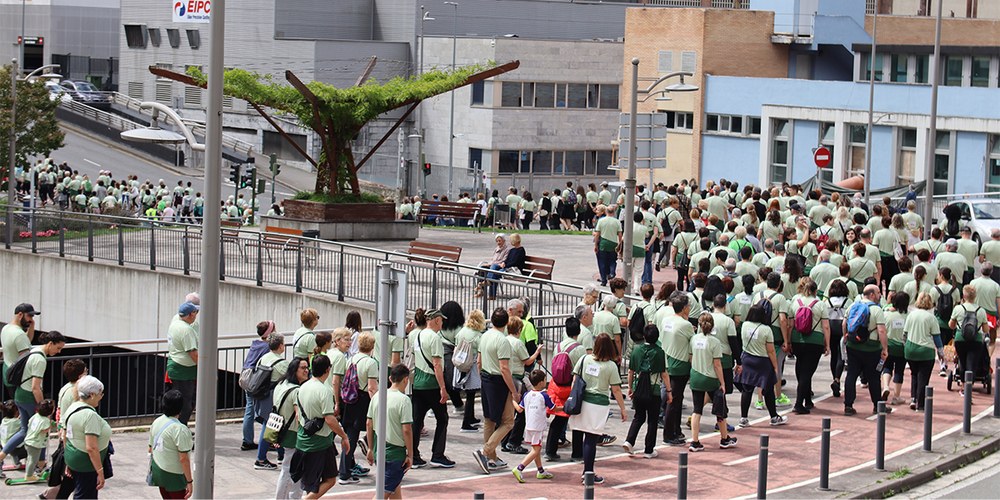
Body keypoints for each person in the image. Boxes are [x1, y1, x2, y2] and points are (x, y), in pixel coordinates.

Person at [0, 330, 65, 471]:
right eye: (58, 348)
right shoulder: (40, 360)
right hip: (29, 397)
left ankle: (1, 456)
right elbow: (36, 387)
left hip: (19, 395)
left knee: (24, 431)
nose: (59, 351)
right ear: (50, 343)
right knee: (42, 429)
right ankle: (40, 465)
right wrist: (44, 409)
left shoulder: (33, 350)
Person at [568, 333, 627, 485]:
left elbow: (575, 380)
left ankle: (585, 469)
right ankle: (588, 472)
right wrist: (622, 408)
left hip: (582, 402)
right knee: (591, 439)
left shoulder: (584, 359)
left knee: (581, 434)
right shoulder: (611, 366)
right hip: (598, 405)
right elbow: (616, 390)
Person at [289, 354, 350, 499]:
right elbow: (329, 419)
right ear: (328, 370)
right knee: (330, 479)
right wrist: (344, 436)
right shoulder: (325, 391)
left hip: (303, 440)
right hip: (320, 443)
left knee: (310, 483)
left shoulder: (303, 387)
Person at [407, 309, 454, 468]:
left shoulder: (418, 335)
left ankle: (413, 455)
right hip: (432, 383)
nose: (442, 323)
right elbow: (437, 364)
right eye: (441, 320)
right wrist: (443, 388)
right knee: (442, 418)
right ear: (436, 320)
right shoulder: (435, 338)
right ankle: (437, 454)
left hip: (418, 383)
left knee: (417, 420)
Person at [473, 308, 517, 474]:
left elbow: (478, 361)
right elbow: (504, 368)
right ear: (506, 322)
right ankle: (486, 452)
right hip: (499, 381)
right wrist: (514, 391)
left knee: (489, 419)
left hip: (485, 378)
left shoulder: (484, 336)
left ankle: (491, 457)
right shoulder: (502, 341)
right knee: (508, 421)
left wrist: (482, 378)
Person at [688, 313, 736, 452]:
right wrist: (722, 383)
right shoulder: (715, 342)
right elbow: (717, 365)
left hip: (696, 376)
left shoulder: (694, 339)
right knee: (720, 409)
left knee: (697, 410)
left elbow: (690, 357)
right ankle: (724, 438)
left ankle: (695, 441)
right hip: (710, 378)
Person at [734, 303, 787, 427]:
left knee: (747, 390)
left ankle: (743, 418)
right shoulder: (766, 329)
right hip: (762, 361)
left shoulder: (744, 325)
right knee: (768, 390)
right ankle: (774, 417)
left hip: (747, 359)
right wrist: (775, 366)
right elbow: (771, 351)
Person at [365, 364, 414, 499]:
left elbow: (369, 423)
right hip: (395, 453)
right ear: (406, 380)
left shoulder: (377, 396)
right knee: (383, 492)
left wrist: (370, 448)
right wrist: (410, 454)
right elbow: (406, 429)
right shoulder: (404, 400)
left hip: (378, 449)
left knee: (394, 488)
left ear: (390, 378)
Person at [623, 325, 670, 458]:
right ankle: (649, 450)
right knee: (652, 420)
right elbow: (664, 374)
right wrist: (669, 391)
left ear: (644, 336)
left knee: (638, 417)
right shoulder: (659, 352)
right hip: (654, 391)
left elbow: (630, 371)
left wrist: (630, 387)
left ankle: (629, 441)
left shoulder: (637, 350)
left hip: (638, 389)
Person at [843, 285, 889, 416]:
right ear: (872, 294)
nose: (880, 295)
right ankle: (877, 405)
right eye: (878, 293)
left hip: (853, 345)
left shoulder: (853, 306)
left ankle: (848, 405)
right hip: (871, 347)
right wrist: (885, 348)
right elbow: (881, 330)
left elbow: (844, 324)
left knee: (851, 375)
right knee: (873, 377)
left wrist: (846, 337)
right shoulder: (877, 309)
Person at [63, 375, 112, 498]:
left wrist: (68, 461)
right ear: (92, 395)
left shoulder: (73, 407)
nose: (101, 397)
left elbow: (66, 436)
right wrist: (100, 472)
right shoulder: (90, 415)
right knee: (85, 495)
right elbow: (91, 448)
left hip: (74, 457)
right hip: (87, 463)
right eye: (100, 393)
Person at [544, 317, 586, 462]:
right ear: (579, 331)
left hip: (558, 385)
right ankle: (577, 454)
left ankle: (550, 450)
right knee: (577, 419)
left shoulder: (558, 346)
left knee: (559, 419)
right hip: (572, 386)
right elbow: (581, 369)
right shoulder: (579, 349)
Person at [339, 332, 378, 484]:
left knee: (350, 435)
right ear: (372, 346)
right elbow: (372, 388)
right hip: (363, 400)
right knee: (372, 429)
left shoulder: (351, 359)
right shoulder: (371, 363)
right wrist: (377, 404)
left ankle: (346, 470)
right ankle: (345, 472)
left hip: (350, 400)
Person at [789, 278, 830, 414]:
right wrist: (827, 344)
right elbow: (825, 326)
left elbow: (790, 324)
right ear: (815, 291)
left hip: (797, 339)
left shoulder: (796, 302)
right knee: (807, 371)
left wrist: (788, 341)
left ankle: (807, 399)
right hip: (815, 340)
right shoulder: (820, 304)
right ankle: (799, 403)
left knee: (800, 366)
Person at [511, 370, 557, 482]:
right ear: (541, 382)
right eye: (545, 380)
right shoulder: (544, 395)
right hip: (538, 426)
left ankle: (540, 471)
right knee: (536, 450)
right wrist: (566, 408)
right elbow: (553, 408)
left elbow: (519, 409)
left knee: (536, 448)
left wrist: (512, 400)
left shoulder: (527, 395)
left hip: (529, 426)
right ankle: (519, 468)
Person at [273, 358, 310, 499]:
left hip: (282, 431)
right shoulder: (297, 391)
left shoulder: (281, 384)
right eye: (303, 368)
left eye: (307, 367)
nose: (306, 370)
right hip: (294, 433)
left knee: (295, 470)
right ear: (295, 370)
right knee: (289, 470)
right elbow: (299, 415)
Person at [661, 293, 694, 446]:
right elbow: (692, 341)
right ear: (685, 308)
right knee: (674, 400)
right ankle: (669, 434)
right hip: (680, 364)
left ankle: (676, 430)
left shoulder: (666, 320)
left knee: (676, 399)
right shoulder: (685, 325)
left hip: (667, 361)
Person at [147, 390, 194, 499]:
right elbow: (184, 459)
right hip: (174, 476)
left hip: (159, 471)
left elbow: (150, 448)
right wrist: (189, 481)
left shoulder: (157, 422)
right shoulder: (180, 429)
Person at [253, 331, 289, 470]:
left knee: (274, 425)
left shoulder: (264, 358)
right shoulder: (281, 363)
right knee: (271, 425)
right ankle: (261, 459)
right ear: (280, 346)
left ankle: (281, 454)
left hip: (262, 395)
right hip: (274, 396)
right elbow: (291, 377)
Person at [949, 285, 989, 398]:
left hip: (960, 339)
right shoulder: (981, 310)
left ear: (964, 295)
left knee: (962, 361)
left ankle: (962, 386)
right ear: (975, 296)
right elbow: (986, 329)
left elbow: (951, 325)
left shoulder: (958, 308)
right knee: (972, 363)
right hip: (976, 340)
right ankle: (969, 386)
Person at [242, 321, 275, 452]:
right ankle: (266, 441)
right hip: (256, 381)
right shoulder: (266, 348)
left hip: (246, 378)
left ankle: (247, 440)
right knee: (266, 410)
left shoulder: (255, 344)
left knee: (249, 410)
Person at [904, 294, 940, 411]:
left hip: (910, 349)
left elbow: (905, 334)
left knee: (914, 374)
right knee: (923, 377)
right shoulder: (931, 318)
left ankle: (913, 398)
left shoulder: (911, 315)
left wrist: (906, 346)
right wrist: (941, 353)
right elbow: (936, 337)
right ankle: (920, 403)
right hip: (926, 351)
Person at [166, 302, 199, 425]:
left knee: (177, 401)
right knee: (186, 404)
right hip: (184, 371)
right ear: (191, 314)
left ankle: (177, 426)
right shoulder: (186, 330)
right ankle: (180, 427)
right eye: (195, 313)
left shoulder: (175, 323)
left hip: (175, 366)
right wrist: (206, 371)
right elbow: (193, 354)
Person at [454, 310, 486, 432]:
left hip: (460, 364)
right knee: (471, 394)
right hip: (472, 366)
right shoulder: (478, 336)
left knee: (469, 394)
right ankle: (466, 423)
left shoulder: (461, 332)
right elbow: (481, 354)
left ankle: (471, 418)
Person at [2, 303, 38, 401]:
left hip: (8, 373)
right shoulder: (19, 335)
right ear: (20, 315)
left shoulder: (6, 328)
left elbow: (26, 341)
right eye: (29, 316)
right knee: (22, 405)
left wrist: (31, 326)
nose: (31, 319)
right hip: (18, 378)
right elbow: (25, 359)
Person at [882, 292, 910, 406]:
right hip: (902, 347)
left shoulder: (886, 314)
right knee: (899, 370)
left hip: (888, 345)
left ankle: (885, 386)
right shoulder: (908, 316)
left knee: (887, 367)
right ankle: (896, 396)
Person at [22, 399, 54, 482]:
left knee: (30, 459)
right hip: (35, 444)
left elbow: (29, 423)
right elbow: (44, 430)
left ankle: (29, 473)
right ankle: (29, 476)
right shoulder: (45, 421)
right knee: (33, 460)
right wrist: (50, 426)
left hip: (28, 440)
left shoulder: (35, 416)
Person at [593, 204, 622, 286]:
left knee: (602, 262)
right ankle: (612, 273)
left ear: (606, 211)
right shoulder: (617, 221)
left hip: (603, 243)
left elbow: (597, 234)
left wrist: (596, 245)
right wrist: (620, 244)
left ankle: (603, 279)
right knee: (612, 260)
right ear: (614, 212)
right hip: (613, 243)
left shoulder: (601, 221)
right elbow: (620, 234)